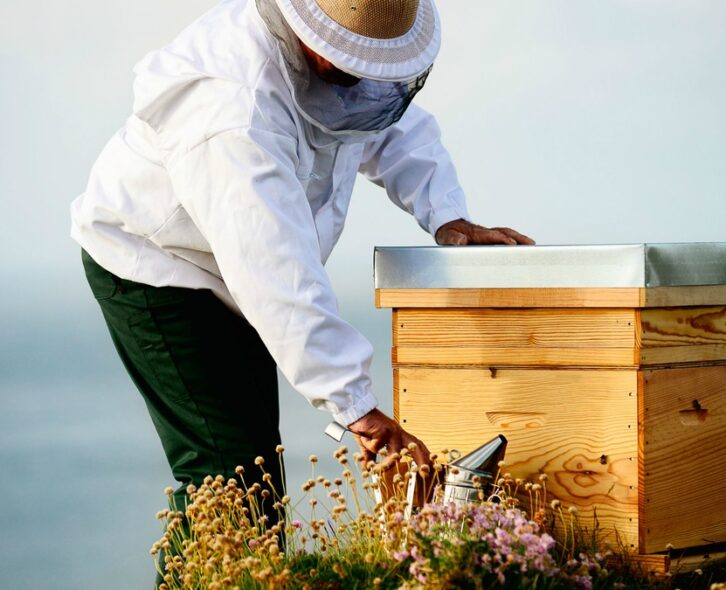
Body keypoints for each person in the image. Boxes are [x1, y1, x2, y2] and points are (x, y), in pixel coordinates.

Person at [71, 0, 533, 563]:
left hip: (238, 271)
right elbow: (274, 267)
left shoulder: (351, 65)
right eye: (347, 62)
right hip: (158, 264)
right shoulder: (233, 106)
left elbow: (391, 124)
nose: (357, 79)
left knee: (253, 473)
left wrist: (448, 216)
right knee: (229, 484)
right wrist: (357, 410)